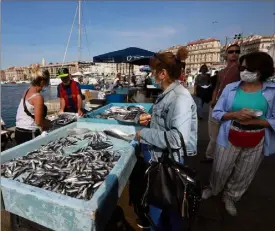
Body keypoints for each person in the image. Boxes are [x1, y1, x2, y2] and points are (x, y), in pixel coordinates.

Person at [202, 52, 275, 216]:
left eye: (249, 68)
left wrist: (258, 122)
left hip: (257, 139)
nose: (244, 71)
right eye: (242, 67)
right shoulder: (230, 88)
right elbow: (217, 112)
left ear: (261, 70)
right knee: (220, 169)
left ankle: (231, 197)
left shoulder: (272, 91)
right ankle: (213, 188)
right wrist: (234, 115)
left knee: (244, 173)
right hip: (230, 134)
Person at [135, 46, 198, 231]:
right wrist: (153, 120)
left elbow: (177, 138)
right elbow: (169, 122)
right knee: (160, 205)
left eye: (153, 72)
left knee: (169, 208)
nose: (151, 76)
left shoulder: (180, 97)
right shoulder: (169, 94)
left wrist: (143, 133)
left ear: (162, 73)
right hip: (159, 160)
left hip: (168, 164)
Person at [204, 44, 241, 161]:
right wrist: (213, 100)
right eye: (231, 52)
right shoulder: (221, 72)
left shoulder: (241, 70)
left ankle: (222, 157)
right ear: (226, 54)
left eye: (237, 51)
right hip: (217, 105)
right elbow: (217, 87)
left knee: (227, 133)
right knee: (213, 133)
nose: (234, 54)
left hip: (231, 107)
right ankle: (211, 155)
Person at [15, 64, 52, 145]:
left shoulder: (27, 90)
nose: (47, 83)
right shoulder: (38, 97)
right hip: (29, 133)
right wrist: (50, 123)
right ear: (42, 81)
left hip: (18, 131)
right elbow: (39, 122)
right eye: (47, 80)